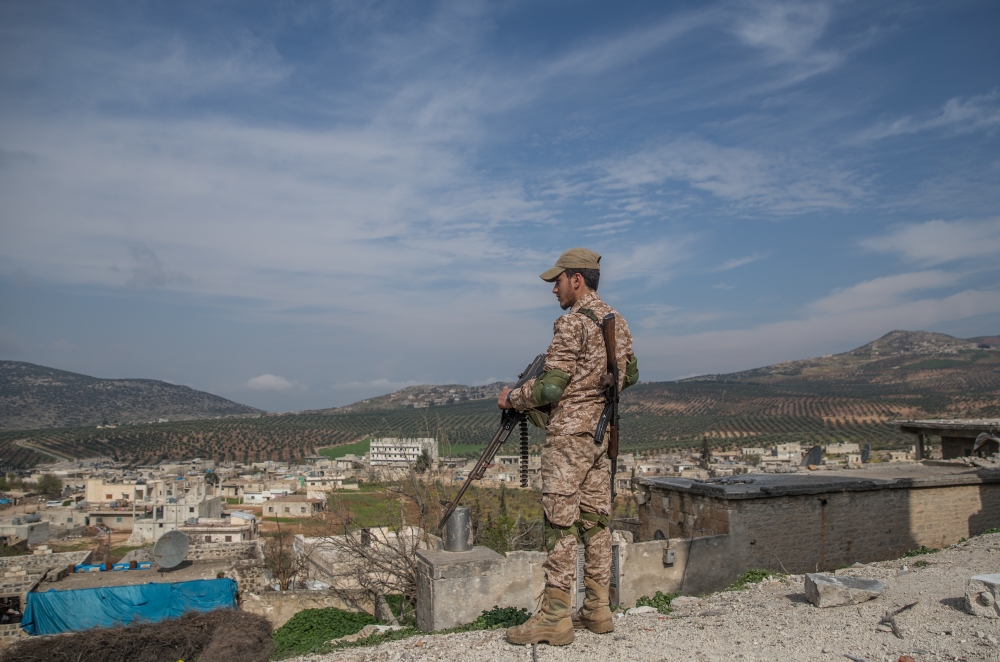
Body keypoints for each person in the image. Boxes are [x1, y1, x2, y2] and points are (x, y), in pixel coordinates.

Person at [497, 247, 637, 646]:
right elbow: (632, 373)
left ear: (577, 279)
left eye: (557, 281)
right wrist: (596, 392)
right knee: (594, 520)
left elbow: (551, 386)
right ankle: (597, 608)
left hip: (570, 437)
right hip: (601, 434)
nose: (553, 289)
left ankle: (555, 617)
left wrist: (513, 397)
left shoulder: (572, 323)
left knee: (559, 522)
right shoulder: (617, 321)